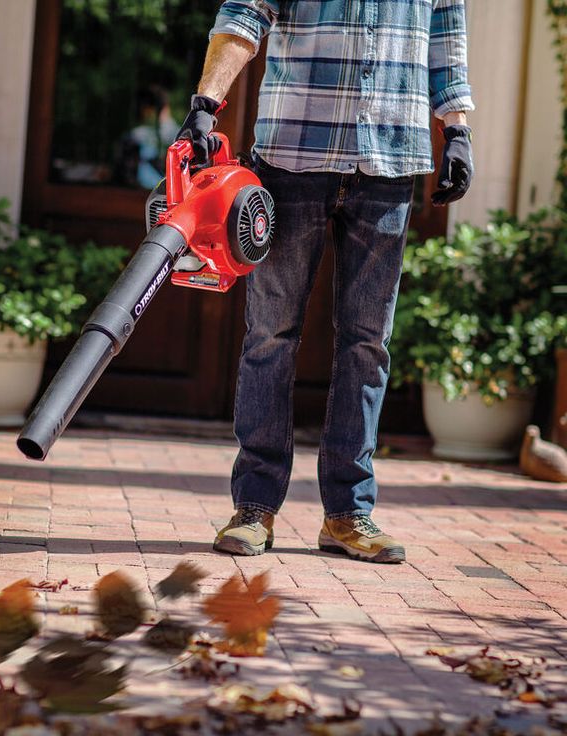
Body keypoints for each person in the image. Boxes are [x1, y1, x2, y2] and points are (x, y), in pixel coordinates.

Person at [176, 1, 474, 563]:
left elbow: (446, 46)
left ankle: (347, 513)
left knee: (367, 343)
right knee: (271, 333)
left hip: (390, 163)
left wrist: (456, 130)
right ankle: (254, 507)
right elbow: (244, 15)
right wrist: (205, 103)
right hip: (293, 155)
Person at [116, 86, 180, 189]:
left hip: (138, 196)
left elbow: (124, 177)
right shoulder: (182, 138)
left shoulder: (134, 137)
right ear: (166, 107)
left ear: (147, 109)